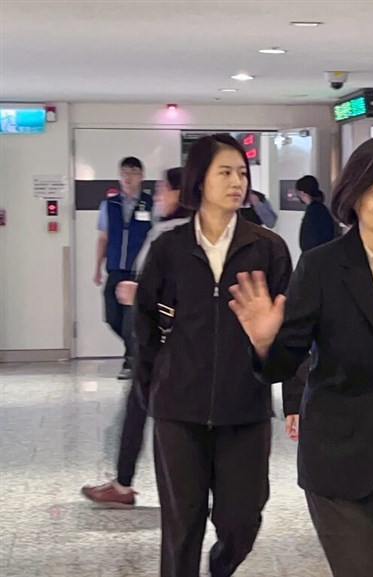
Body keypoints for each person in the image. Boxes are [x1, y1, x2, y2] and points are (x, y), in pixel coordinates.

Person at [227, 135, 373, 577]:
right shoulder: (321, 266)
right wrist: (265, 342)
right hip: (339, 457)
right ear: (355, 195)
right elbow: (286, 363)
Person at [135, 134, 292, 577]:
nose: (237, 181)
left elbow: (293, 330)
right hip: (178, 408)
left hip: (244, 408)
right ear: (199, 180)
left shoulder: (268, 248)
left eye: (242, 173)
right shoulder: (170, 248)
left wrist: (293, 396)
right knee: (181, 526)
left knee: (242, 520)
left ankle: (221, 567)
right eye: (225, 172)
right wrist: (154, 390)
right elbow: (144, 324)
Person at [81, 167, 192, 508]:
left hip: (162, 341)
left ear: (180, 193)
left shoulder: (171, 233)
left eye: (163, 189)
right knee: (151, 410)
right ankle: (137, 483)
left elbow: (171, 289)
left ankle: (125, 484)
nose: (157, 195)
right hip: (171, 343)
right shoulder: (181, 230)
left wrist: (138, 291)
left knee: (144, 409)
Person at [94, 156, 153, 380]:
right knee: (112, 317)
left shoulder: (150, 204)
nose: (128, 177)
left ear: (141, 176)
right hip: (115, 268)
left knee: (131, 319)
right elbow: (103, 238)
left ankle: (130, 361)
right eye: (124, 173)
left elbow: (155, 238)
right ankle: (138, 351)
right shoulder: (109, 205)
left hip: (138, 272)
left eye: (133, 172)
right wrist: (96, 268)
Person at [296, 175, 335, 253]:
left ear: (302, 193)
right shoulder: (321, 209)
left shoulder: (313, 212)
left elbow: (310, 240)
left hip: (315, 258)